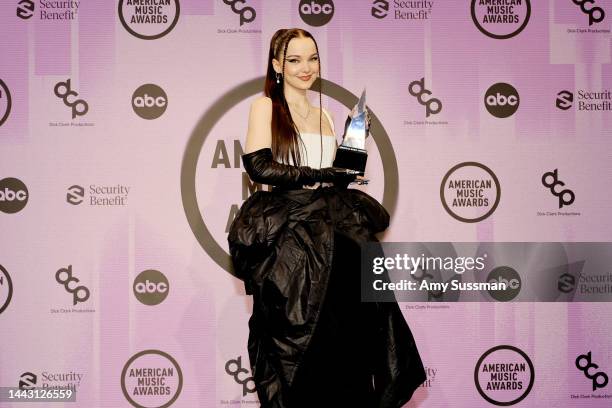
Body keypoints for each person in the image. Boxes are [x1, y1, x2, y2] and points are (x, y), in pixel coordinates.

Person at [228, 28, 426, 408]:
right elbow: (258, 167)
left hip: (336, 233)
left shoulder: (325, 115)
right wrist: (319, 175)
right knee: (300, 336)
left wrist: (352, 153)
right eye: (295, 59)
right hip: (292, 242)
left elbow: (335, 174)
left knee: (353, 330)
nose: (306, 68)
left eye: (313, 58)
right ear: (277, 65)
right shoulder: (265, 107)